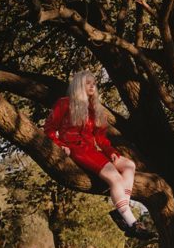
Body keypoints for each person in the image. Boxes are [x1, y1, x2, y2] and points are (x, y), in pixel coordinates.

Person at [44, 71, 152, 239]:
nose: (93, 85)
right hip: (77, 149)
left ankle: (121, 211)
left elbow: (101, 139)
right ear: (79, 85)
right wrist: (60, 145)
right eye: (88, 83)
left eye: (94, 83)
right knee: (115, 178)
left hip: (93, 150)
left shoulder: (96, 109)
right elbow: (49, 129)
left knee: (129, 165)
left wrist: (111, 152)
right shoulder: (64, 103)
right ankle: (132, 223)